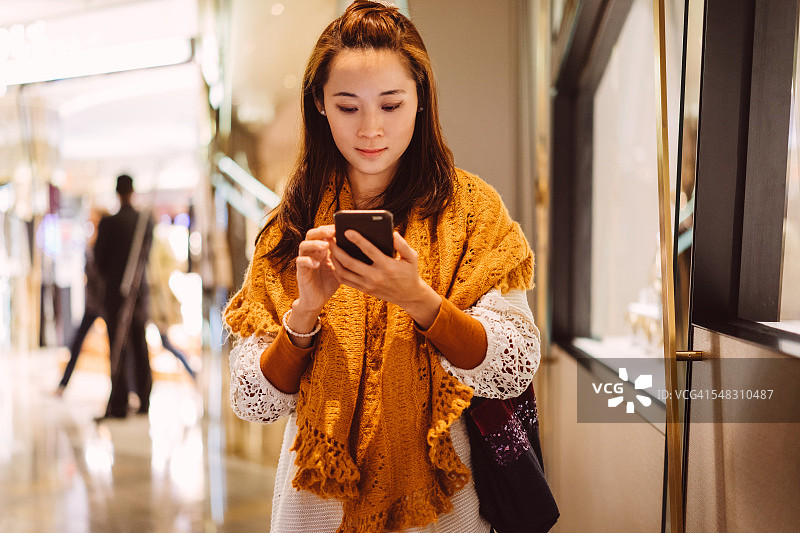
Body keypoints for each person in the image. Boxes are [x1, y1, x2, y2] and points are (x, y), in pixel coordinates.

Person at [223, 2, 541, 532]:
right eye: (348, 107)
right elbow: (251, 400)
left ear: (421, 99)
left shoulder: (471, 212)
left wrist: (419, 299)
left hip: (444, 506)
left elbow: (513, 364)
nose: (371, 129)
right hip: (317, 509)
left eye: (391, 105)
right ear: (320, 105)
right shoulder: (291, 223)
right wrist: (304, 314)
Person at [94, 174, 154, 419]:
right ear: (133, 192)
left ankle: (119, 403)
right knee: (140, 345)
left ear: (117, 193)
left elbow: (99, 260)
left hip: (116, 295)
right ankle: (144, 399)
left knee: (118, 347)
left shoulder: (109, 223)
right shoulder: (144, 222)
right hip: (139, 294)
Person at [54, 207, 108, 396]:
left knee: (119, 347)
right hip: (93, 304)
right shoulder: (92, 244)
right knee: (76, 343)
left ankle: (127, 390)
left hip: (103, 303)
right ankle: (63, 385)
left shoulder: (103, 245)